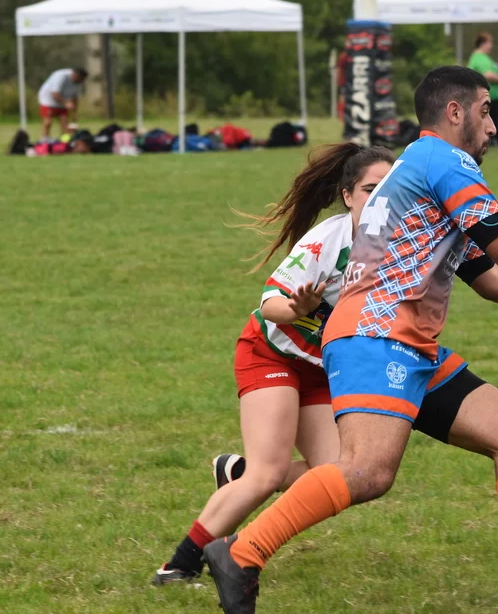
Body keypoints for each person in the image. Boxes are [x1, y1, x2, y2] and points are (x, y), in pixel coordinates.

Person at [204, 66, 498, 614]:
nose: (494, 126)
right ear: (455, 112)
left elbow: (488, 276)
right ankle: (241, 552)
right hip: (375, 336)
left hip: (407, 342)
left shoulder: (420, 172)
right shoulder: (443, 160)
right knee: (366, 471)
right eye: (486, 111)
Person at [151, 143, 396, 585]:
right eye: (369, 190)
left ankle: (237, 472)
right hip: (271, 353)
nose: (380, 200)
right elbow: (270, 305)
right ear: (347, 196)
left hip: (321, 370)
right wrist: (299, 306)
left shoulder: (399, 244)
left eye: (389, 190)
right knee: (267, 475)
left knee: (347, 475)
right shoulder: (327, 241)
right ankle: (180, 564)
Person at [466, 32, 498, 148]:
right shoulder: (480, 58)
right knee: (492, 121)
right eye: (489, 43)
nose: (491, 46)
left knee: (491, 120)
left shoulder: (483, 57)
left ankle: (494, 143)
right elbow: (488, 75)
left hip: (492, 96)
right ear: (482, 44)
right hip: (487, 96)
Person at [36, 67, 87, 142]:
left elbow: (75, 97)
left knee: (64, 121)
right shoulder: (61, 76)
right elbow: (55, 93)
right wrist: (66, 103)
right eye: (80, 79)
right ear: (76, 75)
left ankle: (65, 141)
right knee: (48, 122)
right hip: (48, 99)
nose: (81, 81)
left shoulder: (78, 82)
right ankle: (45, 140)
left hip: (62, 98)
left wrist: (74, 113)